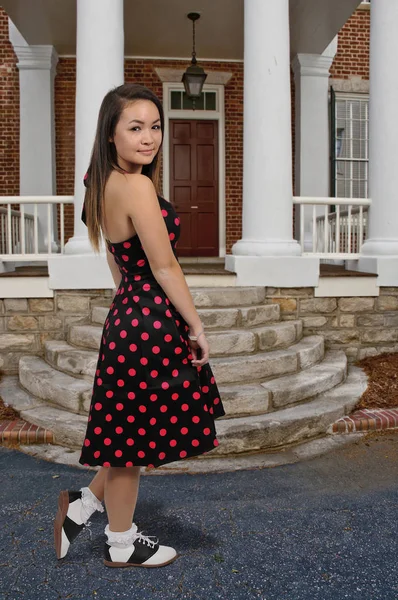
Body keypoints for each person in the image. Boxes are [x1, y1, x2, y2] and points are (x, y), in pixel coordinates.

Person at [53, 83, 225, 568]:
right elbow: (166, 266)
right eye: (135, 127)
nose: (149, 137)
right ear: (111, 134)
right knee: (129, 440)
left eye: (155, 127)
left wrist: (126, 305)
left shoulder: (97, 182)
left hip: (129, 313)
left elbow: (116, 259)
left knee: (128, 428)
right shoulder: (135, 185)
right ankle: (121, 542)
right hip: (149, 319)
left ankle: (83, 505)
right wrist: (196, 326)